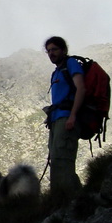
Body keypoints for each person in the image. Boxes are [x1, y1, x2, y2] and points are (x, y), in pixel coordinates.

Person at [44, 36, 84, 199]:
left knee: (62, 159)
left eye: (54, 49)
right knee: (56, 159)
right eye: (48, 51)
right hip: (56, 120)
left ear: (63, 50)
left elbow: (81, 89)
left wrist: (73, 116)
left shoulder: (71, 64)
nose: (51, 53)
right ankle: (74, 198)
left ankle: (64, 202)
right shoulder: (57, 72)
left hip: (66, 118)